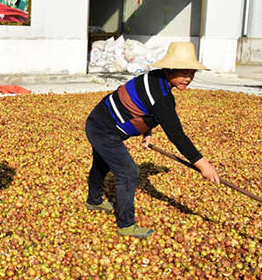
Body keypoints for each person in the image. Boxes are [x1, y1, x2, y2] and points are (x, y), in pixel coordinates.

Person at [84, 42, 220, 238]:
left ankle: (94, 201)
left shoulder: (157, 80)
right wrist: (203, 164)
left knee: (102, 162)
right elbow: (176, 135)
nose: (188, 78)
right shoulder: (160, 95)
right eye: (183, 72)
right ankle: (126, 225)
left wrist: (147, 133)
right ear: (170, 69)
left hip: (100, 121)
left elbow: (143, 108)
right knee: (128, 172)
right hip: (103, 128)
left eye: (192, 73)